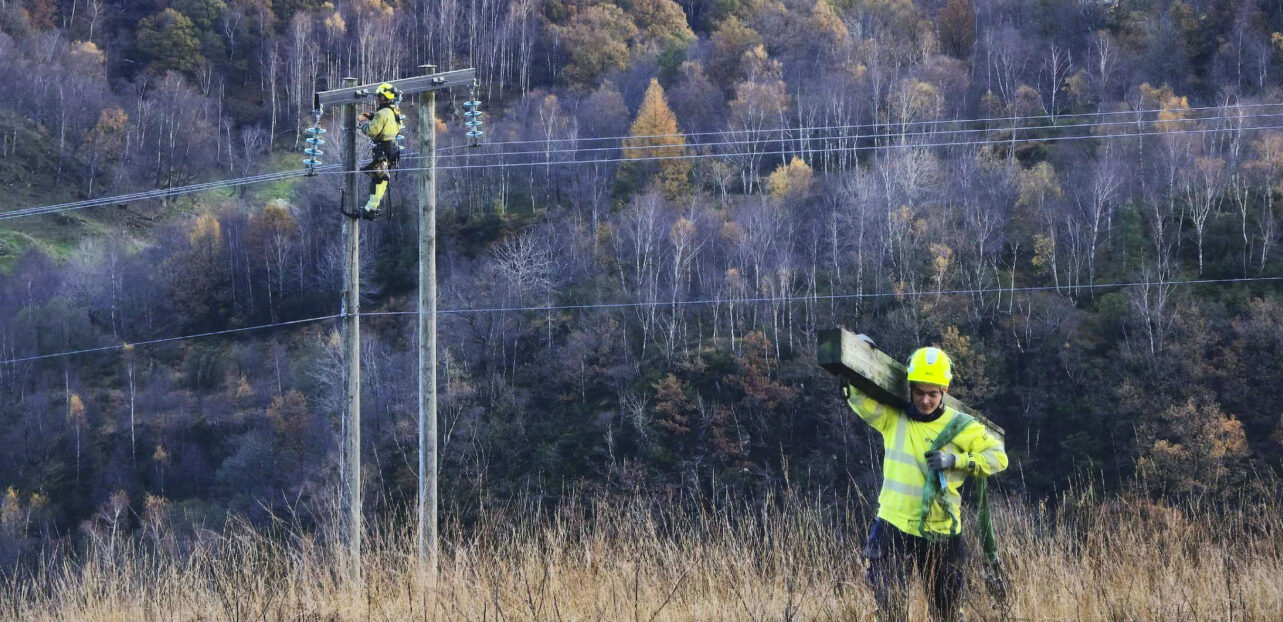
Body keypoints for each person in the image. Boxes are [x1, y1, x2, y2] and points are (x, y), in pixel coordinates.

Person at [842, 346, 1007, 622]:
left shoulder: (961, 426)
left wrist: (955, 460)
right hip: (893, 526)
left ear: (945, 390)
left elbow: (998, 458)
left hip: (940, 531)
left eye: (932, 393)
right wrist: (853, 358)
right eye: (919, 393)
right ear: (910, 389)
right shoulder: (894, 419)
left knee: (947, 613)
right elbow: (859, 399)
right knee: (889, 607)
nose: (926, 400)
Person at [356, 82, 403, 219]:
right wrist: (372, 116)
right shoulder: (394, 111)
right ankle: (373, 207)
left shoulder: (382, 113)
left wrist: (362, 123)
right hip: (392, 150)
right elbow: (388, 122)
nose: (378, 98)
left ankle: (370, 209)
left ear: (383, 97)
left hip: (382, 150)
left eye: (379, 96)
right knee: (383, 179)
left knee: (377, 179)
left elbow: (372, 131)